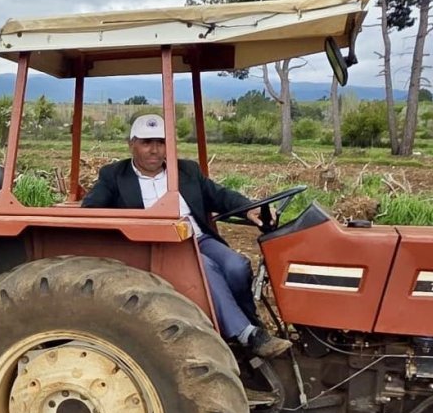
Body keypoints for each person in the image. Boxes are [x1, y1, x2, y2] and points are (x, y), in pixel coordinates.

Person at [82, 115, 291, 360]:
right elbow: (91, 210)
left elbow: (220, 195)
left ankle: (251, 322)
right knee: (207, 269)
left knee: (237, 266)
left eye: (161, 142)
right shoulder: (114, 176)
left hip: (199, 238)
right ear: (132, 145)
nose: (155, 150)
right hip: (158, 248)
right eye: (147, 142)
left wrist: (250, 207)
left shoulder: (186, 171)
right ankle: (246, 334)